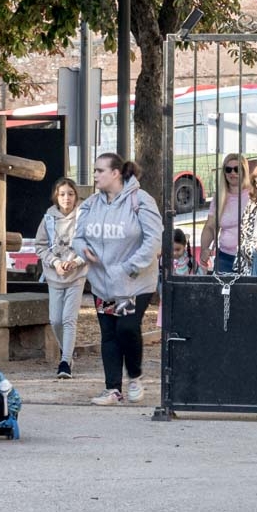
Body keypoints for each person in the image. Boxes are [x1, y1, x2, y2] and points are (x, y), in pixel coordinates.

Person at [72, 153, 162, 406]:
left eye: (100, 170)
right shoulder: (91, 203)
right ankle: (112, 388)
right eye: (94, 170)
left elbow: (154, 239)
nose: (95, 175)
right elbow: (77, 237)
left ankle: (135, 376)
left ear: (116, 173)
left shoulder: (140, 200)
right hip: (103, 282)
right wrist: (83, 250)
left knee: (126, 328)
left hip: (131, 282)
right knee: (109, 333)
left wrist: (129, 267)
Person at [35, 177, 87, 380]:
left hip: (76, 275)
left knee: (68, 319)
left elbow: (91, 244)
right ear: (56, 197)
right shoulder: (49, 218)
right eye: (62, 194)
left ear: (76, 196)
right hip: (55, 275)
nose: (67, 198)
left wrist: (76, 261)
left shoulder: (83, 217)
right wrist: (55, 262)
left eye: (70, 194)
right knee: (55, 319)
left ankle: (65, 361)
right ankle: (66, 350)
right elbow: (40, 246)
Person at [198, 152, 249, 273]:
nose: (232, 173)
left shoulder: (254, 194)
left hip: (250, 258)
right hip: (225, 258)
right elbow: (210, 226)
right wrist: (204, 249)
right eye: (228, 169)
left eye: (237, 169)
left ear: (244, 171)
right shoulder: (219, 197)